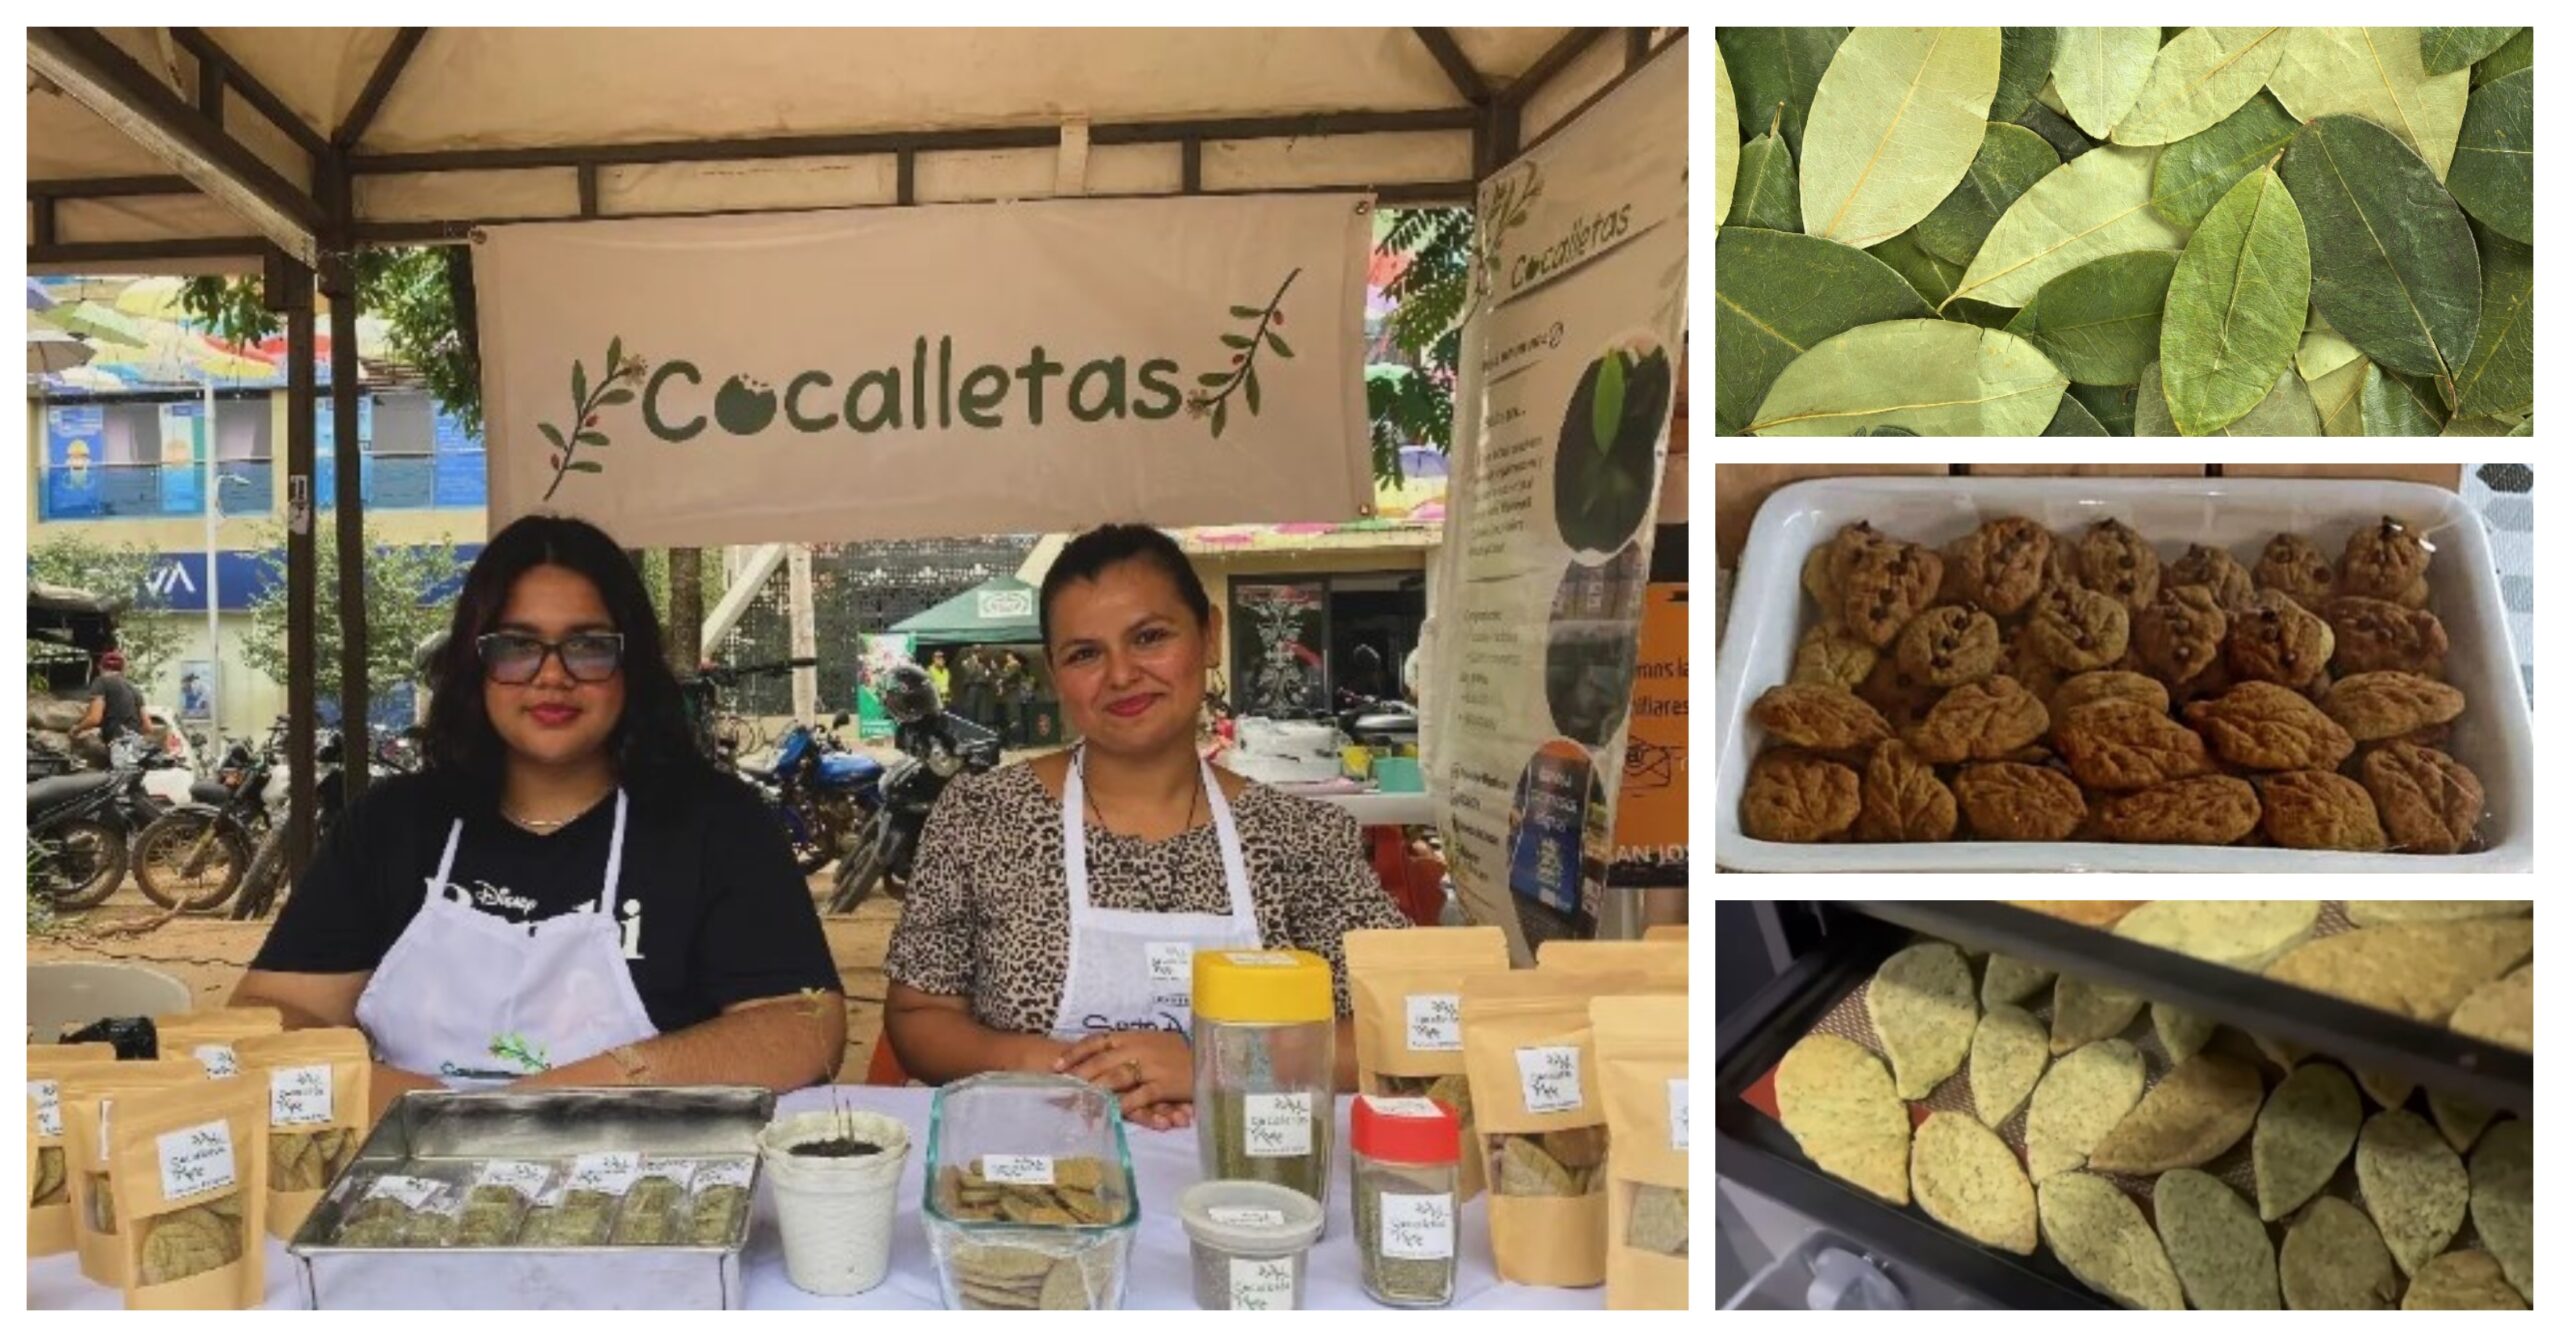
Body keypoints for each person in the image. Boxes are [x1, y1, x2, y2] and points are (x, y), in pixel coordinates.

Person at [232, 516, 846, 1120]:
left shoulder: (717, 825)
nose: (553, 676)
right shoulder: (391, 826)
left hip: (644, 1186)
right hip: (405, 1170)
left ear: (629, 668)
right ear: (476, 666)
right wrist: (430, 1112)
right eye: (518, 646)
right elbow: (269, 1019)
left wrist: (559, 1097)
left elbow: (804, 1027)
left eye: (588, 646)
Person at [883, 524, 1408, 1129]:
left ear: (1209, 636)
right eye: (1085, 654)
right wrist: (1070, 1069)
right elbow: (919, 1016)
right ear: (1055, 675)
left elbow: (1394, 1025)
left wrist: (1218, 1063)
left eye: (1150, 637)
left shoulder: (1301, 835)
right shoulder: (983, 817)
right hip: (1046, 1180)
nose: (1123, 675)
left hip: (1262, 1178)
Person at [72, 648, 144, 747]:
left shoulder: (101, 682)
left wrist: (76, 729)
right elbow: (148, 726)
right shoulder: (134, 689)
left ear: (99, 667)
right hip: (137, 746)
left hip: (120, 746)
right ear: (123, 669)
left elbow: (94, 718)